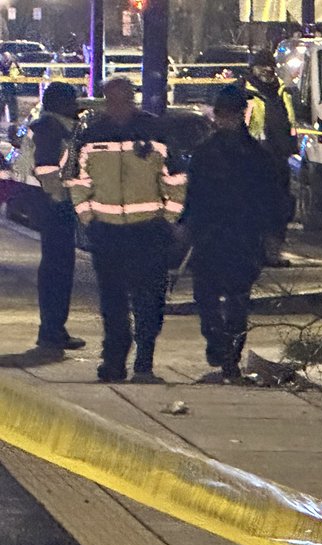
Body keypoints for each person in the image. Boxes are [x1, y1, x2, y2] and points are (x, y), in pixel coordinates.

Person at [65, 77, 186, 384]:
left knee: (149, 301)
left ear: (132, 98)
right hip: (108, 233)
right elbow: (79, 182)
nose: (117, 104)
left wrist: (168, 219)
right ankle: (114, 362)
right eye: (112, 99)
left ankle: (144, 363)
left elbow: (175, 179)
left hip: (148, 232)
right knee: (113, 304)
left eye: (123, 98)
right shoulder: (92, 135)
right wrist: (89, 219)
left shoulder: (154, 131)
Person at [181, 84, 283, 382]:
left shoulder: (256, 157)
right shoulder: (205, 153)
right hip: (214, 235)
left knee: (237, 301)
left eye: (229, 115)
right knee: (207, 297)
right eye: (221, 115)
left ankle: (230, 357)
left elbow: (272, 198)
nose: (224, 120)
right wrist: (188, 226)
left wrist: (273, 234)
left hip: (241, 236)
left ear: (240, 116)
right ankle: (218, 345)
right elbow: (194, 194)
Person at [26, 82, 85, 350]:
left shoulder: (50, 127)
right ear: (61, 104)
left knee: (57, 268)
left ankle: (53, 328)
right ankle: (52, 330)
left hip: (50, 207)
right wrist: (62, 199)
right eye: (72, 101)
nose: (77, 106)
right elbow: (48, 170)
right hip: (55, 208)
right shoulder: (52, 130)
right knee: (58, 269)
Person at [244, 48, 297, 267]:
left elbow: (290, 123)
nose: (268, 69)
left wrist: (290, 148)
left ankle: (272, 252)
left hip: (278, 160)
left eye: (271, 65)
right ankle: (254, 253)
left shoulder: (282, 92)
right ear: (253, 68)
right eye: (262, 65)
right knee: (254, 208)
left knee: (279, 208)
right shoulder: (244, 92)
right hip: (252, 160)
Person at [0, 52, 20, 126]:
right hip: (3, 87)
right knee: (2, 102)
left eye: (7, 57)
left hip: (10, 87)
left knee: (12, 103)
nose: (6, 59)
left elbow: (17, 73)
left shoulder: (13, 64)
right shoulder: (1, 64)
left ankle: (13, 120)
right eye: (4, 57)